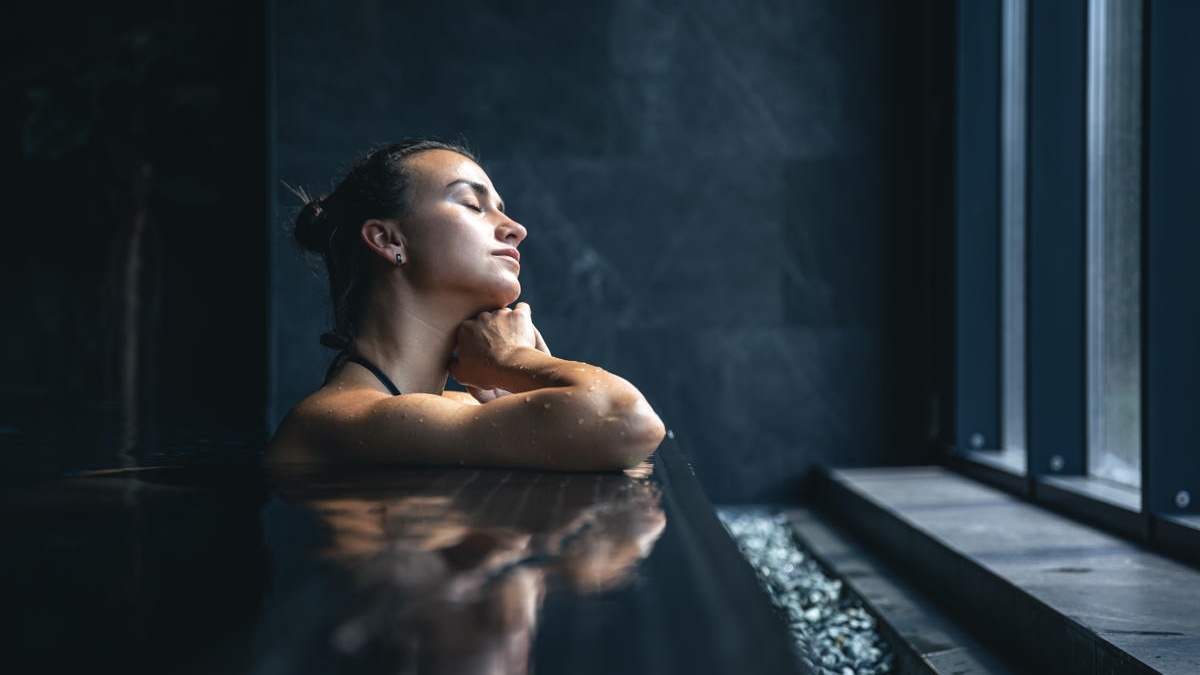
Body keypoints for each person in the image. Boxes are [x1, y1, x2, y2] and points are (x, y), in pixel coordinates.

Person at [266, 140, 666, 470]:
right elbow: (627, 420)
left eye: (501, 210)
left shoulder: (453, 409)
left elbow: (628, 449)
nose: (516, 229)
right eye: (473, 205)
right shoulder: (343, 418)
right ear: (388, 241)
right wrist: (512, 360)